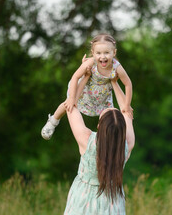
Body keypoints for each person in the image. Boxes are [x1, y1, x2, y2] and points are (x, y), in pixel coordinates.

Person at [63, 78, 135, 215]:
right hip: (113, 202)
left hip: (83, 199)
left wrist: (84, 76)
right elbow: (126, 111)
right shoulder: (127, 144)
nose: (108, 106)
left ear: (99, 126)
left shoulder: (86, 140)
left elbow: (71, 104)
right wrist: (114, 81)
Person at [41, 33, 133, 140]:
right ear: (93, 53)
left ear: (114, 52)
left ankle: (104, 138)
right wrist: (71, 98)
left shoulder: (117, 67)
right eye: (98, 53)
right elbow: (75, 77)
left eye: (107, 53)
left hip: (103, 95)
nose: (102, 56)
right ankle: (53, 121)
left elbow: (128, 84)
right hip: (85, 89)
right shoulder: (90, 63)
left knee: (109, 116)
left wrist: (127, 105)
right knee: (68, 104)